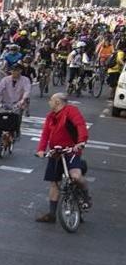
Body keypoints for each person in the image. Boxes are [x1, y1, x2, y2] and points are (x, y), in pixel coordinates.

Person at [34, 93, 91, 222]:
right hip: (56, 152)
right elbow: (45, 134)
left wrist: (81, 142)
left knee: (75, 176)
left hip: (71, 151)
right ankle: (52, 214)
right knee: (54, 183)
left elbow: (80, 125)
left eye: (51, 100)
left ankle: (86, 195)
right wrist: (41, 150)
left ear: (58, 102)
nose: (49, 102)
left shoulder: (71, 111)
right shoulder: (50, 116)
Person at [0, 64, 31, 140]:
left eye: (16, 70)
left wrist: (23, 99)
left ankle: (17, 131)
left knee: (17, 117)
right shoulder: (5, 79)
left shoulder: (25, 80)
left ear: (20, 71)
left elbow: (27, 91)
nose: (14, 72)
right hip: (5, 102)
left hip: (18, 102)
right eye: (13, 70)